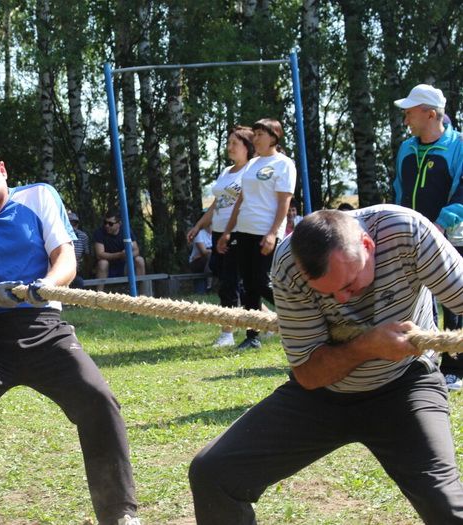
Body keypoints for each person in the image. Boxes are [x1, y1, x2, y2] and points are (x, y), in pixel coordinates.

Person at [190, 206, 463, 524]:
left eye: (349, 284)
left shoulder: (406, 232)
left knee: (446, 508)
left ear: (368, 245)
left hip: (406, 384)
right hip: (323, 393)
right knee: (213, 473)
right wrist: (368, 346)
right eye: (329, 294)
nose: (343, 299)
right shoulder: (288, 265)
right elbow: (308, 373)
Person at [0, 143, 141, 525]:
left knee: (98, 399)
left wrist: (44, 285)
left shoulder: (39, 196)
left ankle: (119, 514)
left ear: (2, 170)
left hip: (45, 327)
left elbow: (65, 257)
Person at [393, 83, 463, 392]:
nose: (406, 118)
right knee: (416, 298)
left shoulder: (458, 145)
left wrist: (441, 223)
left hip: (452, 236)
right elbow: (399, 189)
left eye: (410, 112)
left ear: (430, 114)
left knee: (454, 301)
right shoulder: (406, 148)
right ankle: (421, 360)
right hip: (411, 237)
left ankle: (454, 368)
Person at [217, 118, 296, 349]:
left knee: (263, 283)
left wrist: (272, 234)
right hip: (244, 230)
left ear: (273, 137)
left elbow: (284, 202)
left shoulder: (283, 164)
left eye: (260, 134)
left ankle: (298, 316)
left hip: (265, 232)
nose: (255, 138)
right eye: (255, 134)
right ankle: (252, 337)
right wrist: (228, 231)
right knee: (249, 286)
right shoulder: (252, 164)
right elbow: (240, 200)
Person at [187, 126, 255, 347]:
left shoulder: (251, 171)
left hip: (237, 232)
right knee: (224, 273)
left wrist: (228, 232)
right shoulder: (226, 172)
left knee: (229, 283)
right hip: (218, 232)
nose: (229, 147)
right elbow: (217, 203)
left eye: (235, 143)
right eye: (228, 143)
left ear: (247, 147)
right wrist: (198, 226)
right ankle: (263, 319)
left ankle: (227, 333)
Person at [92, 210, 146, 292]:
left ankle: (141, 293)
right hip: (108, 268)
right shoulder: (99, 233)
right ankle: (99, 295)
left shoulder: (127, 231)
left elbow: (136, 250)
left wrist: (127, 254)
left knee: (139, 260)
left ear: (119, 224)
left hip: (124, 266)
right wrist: (120, 255)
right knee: (103, 263)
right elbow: (99, 254)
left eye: (110, 224)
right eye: (105, 222)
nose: (107, 226)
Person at [68, 211, 90, 288]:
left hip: (78, 269)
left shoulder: (83, 236)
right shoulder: (59, 235)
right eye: (70, 222)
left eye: (75, 223)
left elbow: (87, 255)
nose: (73, 225)